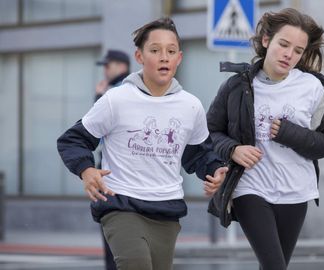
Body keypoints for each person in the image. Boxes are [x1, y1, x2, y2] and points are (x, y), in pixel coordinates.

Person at [57, 18, 228, 270]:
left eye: (170, 51)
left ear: (179, 58)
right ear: (139, 55)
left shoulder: (190, 105)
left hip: (167, 209)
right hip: (121, 204)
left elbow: (198, 153)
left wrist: (214, 170)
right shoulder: (116, 99)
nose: (164, 57)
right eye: (155, 50)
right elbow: (73, 139)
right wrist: (86, 169)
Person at [206, 8, 324, 270]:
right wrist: (233, 149)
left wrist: (289, 133)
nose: (289, 54)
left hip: (295, 191)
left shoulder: (313, 89)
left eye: (297, 50)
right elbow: (211, 131)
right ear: (266, 40)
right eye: (284, 44)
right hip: (251, 187)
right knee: (274, 266)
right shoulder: (237, 86)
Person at [94, 48, 130, 270]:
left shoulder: (115, 94)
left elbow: (98, 135)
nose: (105, 70)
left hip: (113, 173)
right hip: (118, 172)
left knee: (112, 232)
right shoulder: (128, 89)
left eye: (108, 65)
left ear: (120, 66)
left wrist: (98, 98)